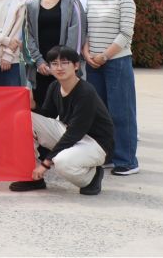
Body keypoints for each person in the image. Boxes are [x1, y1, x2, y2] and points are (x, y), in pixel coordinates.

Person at [10, 47, 114, 196]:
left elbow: (75, 133)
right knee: (23, 117)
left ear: (76, 65)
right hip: (70, 132)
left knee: (61, 162)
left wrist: (46, 164)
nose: (59, 68)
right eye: (54, 63)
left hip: (95, 143)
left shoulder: (86, 92)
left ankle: (92, 176)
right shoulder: (55, 86)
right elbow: (48, 115)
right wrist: (32, 106)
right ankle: (32, 177)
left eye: (64, 63)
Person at [75, 0, 138, 175]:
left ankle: (127, 160)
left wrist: (105, 55)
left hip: (117, 62)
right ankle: (108, 155)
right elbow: (86, 30)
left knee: (122, 112)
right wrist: (86, 53)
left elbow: (126, 33)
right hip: (94, 63)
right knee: (100, 113)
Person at [21, 0, 87, 110]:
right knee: (42, 110)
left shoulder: (72, 3)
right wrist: (39, 62)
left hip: (66, 67)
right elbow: (27, 36)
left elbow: (77, 34)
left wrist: (62, 63)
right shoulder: (31, 5)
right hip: (41, 68)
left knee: (69, 109)